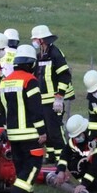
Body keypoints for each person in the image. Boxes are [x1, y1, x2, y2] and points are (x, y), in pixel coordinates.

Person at [0, 45, 47, 193]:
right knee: (32, 167)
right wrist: (42, 132)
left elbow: (3, 109)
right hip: (30, 134)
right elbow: (36, 109)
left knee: (21, 168)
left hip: (13, 134)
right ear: (31, 64)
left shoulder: (4, 81)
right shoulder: (30, 81)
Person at [30, 25, 72, 164]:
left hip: (53, 100)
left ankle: (63, 159)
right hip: (42, 100)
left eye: (35, 39)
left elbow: (64, 75)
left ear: (41, 40)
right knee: (46, 131)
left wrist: (59, 97)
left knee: (55, 131)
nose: (34, 41)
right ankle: (51, 156)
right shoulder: (40, 55)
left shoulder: (55, 53)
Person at [53, 114, 97, 193]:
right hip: (91, 165)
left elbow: (95, 165)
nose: (77, 139)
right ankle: (89, 185)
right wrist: (61, 171)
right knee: (73, 162)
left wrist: (84, 184)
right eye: (75, 136)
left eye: (78, 136)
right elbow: (64, 155)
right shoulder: (73, 141)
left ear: (84, 130)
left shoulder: (96, 139)